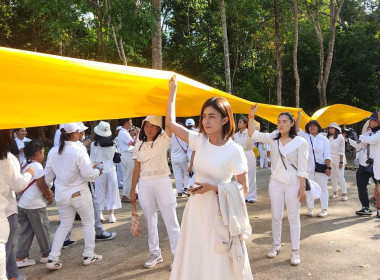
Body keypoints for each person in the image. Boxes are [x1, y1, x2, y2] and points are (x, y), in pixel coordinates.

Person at [166, 78, 253, 279]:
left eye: (212, 116)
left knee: (216, 257)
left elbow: (244, 188)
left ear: (225, 119)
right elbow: (170, 123)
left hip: (219, 212)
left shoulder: (235, 150)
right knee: (195, 255)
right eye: (204, 116)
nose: (206, 121)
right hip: (196, 210)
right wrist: (173, 91)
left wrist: (213, 188)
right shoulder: (199, 140)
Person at [251, 107, 308, 266]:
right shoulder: (273, 138)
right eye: (278, 121)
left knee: (293, 217)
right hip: (275, 183)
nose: (281, 124)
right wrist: (251, 116)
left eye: (284, 122)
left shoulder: (300, 142)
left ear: (292, 124)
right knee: (276, 216)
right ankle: (276, 244)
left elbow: (303, 167)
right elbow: (253, 134)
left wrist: (302, 187)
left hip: (293, 184)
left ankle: (295, 251)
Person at [43, 123, 103, 270]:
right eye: (80, 132)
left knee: (64, 224)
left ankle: (53, 258)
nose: (81, 134)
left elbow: (47, 177)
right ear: (74, 133)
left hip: (62, 194)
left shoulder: (53, 151)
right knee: (88, 222)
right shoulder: (79, 149)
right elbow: (88, 175)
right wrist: (98, 171)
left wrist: (47, 191)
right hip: (79, 193)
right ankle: (89, 255)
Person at [130, 115, 180, 269]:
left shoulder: (163, 139)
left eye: (153, 125)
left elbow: (169, 122)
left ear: (159, 127)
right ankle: (155, 253)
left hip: (162, 181)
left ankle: (178, 256)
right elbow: (136, 169)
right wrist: (132, 191)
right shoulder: (139, 145)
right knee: (150, 221)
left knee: (170, 220)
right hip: (144, 183)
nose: (149, 128)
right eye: (146, 125)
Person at [0, 129, 35, 280]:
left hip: (6, 209)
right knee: (5, 247)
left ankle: (14, 274)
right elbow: (18, 184)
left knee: (9, 246)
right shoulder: (6, 159)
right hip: (6, 210)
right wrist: (30, 173)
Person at [16, 140, 53, 268]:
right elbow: (41, 183)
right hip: (35, 204)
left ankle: (20, 256)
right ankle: (47, 255)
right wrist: (49, 195)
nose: (43, 155)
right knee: (42, 229)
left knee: (26, 231)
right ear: (37, 153)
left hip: (22, 203)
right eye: (43, 152)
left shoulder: (24, 163)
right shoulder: (37, 166)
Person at [296, 115, 331, 218]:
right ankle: (310, 208)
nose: (312, 127)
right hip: (308, 167)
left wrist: (328, 167)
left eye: (314, 126)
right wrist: (299, 116)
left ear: (318, 128)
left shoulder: (324, 139)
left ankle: (324, 209)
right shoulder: (305, 137)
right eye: (310, 126)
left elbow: (327, 154)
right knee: (309, 188)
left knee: (323, 188)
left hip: (321, 167)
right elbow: (296, 128)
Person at [347, 112, 380, 216]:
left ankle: (379, 209)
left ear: (378, 122)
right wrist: (349, 138)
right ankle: (365, 207)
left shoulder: (377, 133)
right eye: (370, 119)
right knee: (361, 185)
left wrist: (360, 136)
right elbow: (359, 145)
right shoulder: (368, 133)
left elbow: (372, 140)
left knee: (378, 188)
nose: (370, 121)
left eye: (372, 120)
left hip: (377, 165)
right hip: (364, 164)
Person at [90, 121, 122, 223]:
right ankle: (111, 215)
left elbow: (92, 160)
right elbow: (116, 159)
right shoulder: (114, 144)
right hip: (111, 170)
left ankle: (100, 213)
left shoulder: (94, 145)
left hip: (99, 171)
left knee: (99, 192)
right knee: (112, 192)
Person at [234, 117, 257, 203]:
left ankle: (251, 196)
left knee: (251, 175)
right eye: (239, 122)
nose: (239, 124)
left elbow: (255, 128)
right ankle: (243, 195)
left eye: (240, 122)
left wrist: (251, 117)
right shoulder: (236, 135)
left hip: (249, 153)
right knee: (240, 175)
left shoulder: (249, 132)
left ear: (245, 124)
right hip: (239, 155)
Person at [119, 119, 139, 203]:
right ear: (126, 123)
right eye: (130, 122)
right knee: (128, 175)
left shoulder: (125, 132)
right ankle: (125, 195)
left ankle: (135, 192)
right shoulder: (123, 132)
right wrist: (137, 134)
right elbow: (134, 143)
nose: (131, 124)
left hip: (129, 155)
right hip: (127, 155)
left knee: (133, 174)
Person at [327, 122, 348, 201]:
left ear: (336, 129)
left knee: (340, 176)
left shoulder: (340, 137)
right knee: (333, 176)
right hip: (331, 158)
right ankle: (335, 192)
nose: (330, 129)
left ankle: (344, 193)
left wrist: (341, 162)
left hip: (339, 158)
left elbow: (341, 150)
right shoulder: (329, 137)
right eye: (329, 128)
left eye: (332, 128)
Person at [170, 123, 190, 197]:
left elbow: (169, 146)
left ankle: (179, 192)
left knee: (177, 175)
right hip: (183, 156)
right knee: (187, 173)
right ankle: (186, 187)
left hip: (174, 157)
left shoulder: (171, 135)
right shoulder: (184, 134)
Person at [185, 119, 197, 189]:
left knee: (191, 172)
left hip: (189, 154)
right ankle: (190, 186)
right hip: (195, 154)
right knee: (195, 172)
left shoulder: (186, 133)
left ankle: (188, 187)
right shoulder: (197, 133)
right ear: (194, 125)